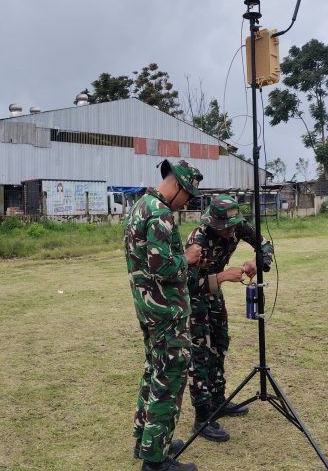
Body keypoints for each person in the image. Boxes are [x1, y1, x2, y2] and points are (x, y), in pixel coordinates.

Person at [124, 159, 204, 471]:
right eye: (188, 196)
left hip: (149, 309)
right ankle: (155, 462)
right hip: (166, 312)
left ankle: (147, 441)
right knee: (168, 378)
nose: (187, 204)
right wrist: (188, 257)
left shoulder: (140, 206)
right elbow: (162, 267)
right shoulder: (159, 214)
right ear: (178, 186)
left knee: (153, 371)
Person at [185, 195, 274, 442]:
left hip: (215, 299)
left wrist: (258, 261)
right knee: (200, 354)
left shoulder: (238, 227)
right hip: (195, 300)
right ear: (214, 223)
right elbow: (187, 285)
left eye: (235, 225)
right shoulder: (198, 240)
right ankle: (202, 418)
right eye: (228, 226)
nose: (233, 231)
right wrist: (222, 277)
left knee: (220, 344)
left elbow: (265, 245)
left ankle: (218, 401)